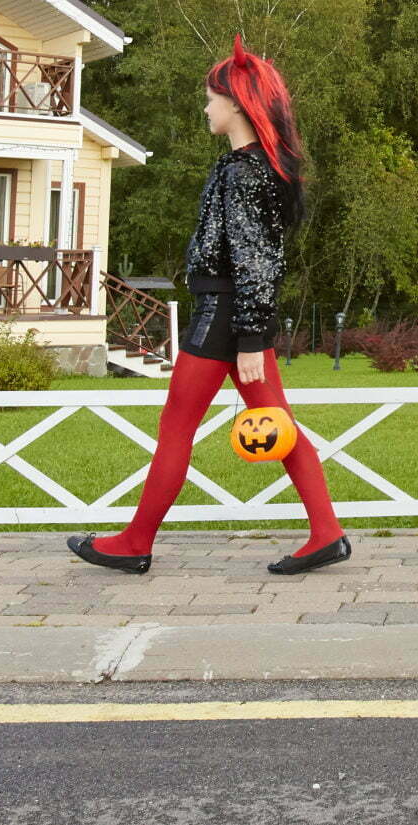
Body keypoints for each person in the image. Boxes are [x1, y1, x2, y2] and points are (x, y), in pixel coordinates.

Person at [68, 39, 346, 577]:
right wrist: (252, 333)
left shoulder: (246, 172)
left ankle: (135, 542)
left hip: (225, 313)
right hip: (236, 313)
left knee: (176, 426)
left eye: (211, 98)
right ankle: (327, 532)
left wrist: (247, 339)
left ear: (237, 103)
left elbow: (257, 262)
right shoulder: (249, 167)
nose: (205, 107)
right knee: (278, 424)